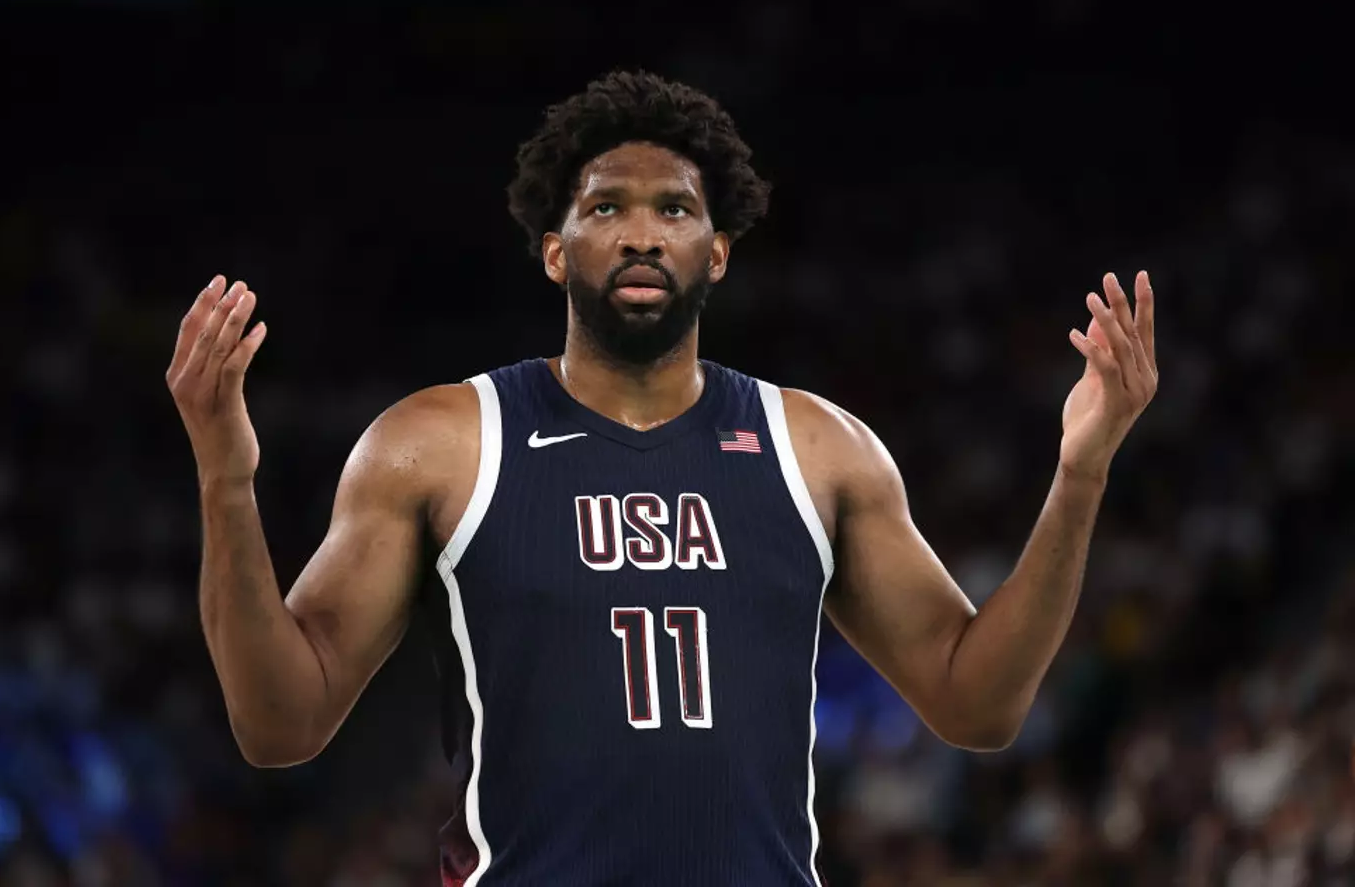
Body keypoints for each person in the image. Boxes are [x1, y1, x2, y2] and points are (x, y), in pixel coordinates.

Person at [165, 70, 1159, 886]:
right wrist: (226, 480)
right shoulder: (438, 443)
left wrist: (1079, 476)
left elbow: (978, 706)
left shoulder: (819, 448)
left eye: (674, 209)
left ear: (715, 252)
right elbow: (279, 724)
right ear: (555, 252)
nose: (642, 234)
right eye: (607, 207)